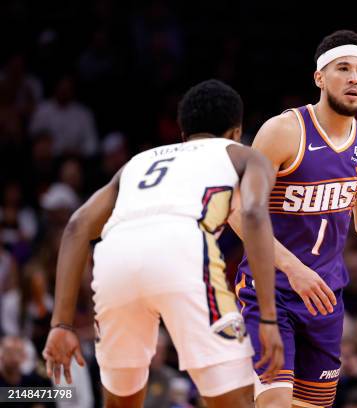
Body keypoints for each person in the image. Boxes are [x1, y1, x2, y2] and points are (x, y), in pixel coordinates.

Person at [42, 79, 284, 408]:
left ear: (183, 134)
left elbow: (75, 227)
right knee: (235, 400)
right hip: (183, 246)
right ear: (235, 131)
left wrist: (61, 324)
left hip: (115, 256)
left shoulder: (138, 163)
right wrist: (268, 319)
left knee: (120, 402)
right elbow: (255, 216)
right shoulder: (243, 154)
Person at [230, 30, 357, 408]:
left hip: (325, 300)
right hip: (270, 291)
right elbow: (240, 213)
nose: (354, 77)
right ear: (320, 77)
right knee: (274, 402)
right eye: (343, 68)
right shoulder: (284, 132)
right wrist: (294, 269)